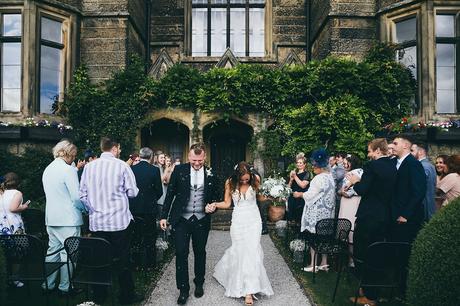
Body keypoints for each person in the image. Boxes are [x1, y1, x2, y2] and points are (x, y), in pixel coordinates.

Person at [80, 137, 141, 305]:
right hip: (119, 222)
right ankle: (126, 296)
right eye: (119, 148)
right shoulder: (122, 166)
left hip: (98, 223)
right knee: (122, 259)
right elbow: (133, 193)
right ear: (114, 148)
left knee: (99, 260)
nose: (120, 151)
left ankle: (99, 295)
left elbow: (82, 195)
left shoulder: (89, 167)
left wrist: (93, 209)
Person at [159, 143, 219, 305]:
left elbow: (217, 197)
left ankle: (199, 283)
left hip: (201, 220)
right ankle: (183, 289)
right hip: (181, 220)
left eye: (200, 160)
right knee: (181, 253)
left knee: (200, 252)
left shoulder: (211, 173)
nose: (197, 163)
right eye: (194, 160)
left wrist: (212, 207)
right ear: (189, 157)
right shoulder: (180, 170)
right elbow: (170, 194)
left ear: (204, 157)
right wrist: (164, 216)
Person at [209, 162, 274, 306]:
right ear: (236, 176)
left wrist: (273, 196)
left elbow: (261, 197)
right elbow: (226, 203)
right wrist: (214, 204)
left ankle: (248, 291)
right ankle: (236, 279)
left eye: (246, 179)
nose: (245, 181)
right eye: (242, 179)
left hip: (254, 220)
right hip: (238, 220)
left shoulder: (255, 179)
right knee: (239, 251)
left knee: (251, 251)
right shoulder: (229, 182)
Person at [347, 138, 397, 306]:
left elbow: (363, 189)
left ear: (377, 151)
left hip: (369, 217)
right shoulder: (393, 166)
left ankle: (369, 295)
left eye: (369, 151)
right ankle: (373, 290)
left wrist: (355, 181)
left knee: (362, 254)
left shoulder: (372, 166)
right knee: (377, 255)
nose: (368, 155)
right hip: (385, 217)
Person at [42, 140, 86, 295]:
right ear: (68, 153)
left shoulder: (48, 169)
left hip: (51, 218)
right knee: (70, 253)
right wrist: (85, 209)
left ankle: (48, 284)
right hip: (68, 219)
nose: (74, 159)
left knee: (52, 252)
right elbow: (76, 197)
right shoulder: (68, 170)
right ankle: (65, 287)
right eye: (73, 156)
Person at [293, 148, 336, 272]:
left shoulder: (318, 179)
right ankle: (324, 263)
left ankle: (313, 265)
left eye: (314, 166)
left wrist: (300, 194)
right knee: (324, 238)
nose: (313, 168)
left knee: (313, 238)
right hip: (328, 213)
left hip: (317, 213)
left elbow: (309, 195)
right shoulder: (330, 177)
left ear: (319, 166)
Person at [129, 147, 163, 267]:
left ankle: (136, 263)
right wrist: (152, 200)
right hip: (149, 208)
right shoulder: (154, 170)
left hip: (134, 208)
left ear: (140, 155)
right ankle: (150, 263)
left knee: (135, 237)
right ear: (151, 156)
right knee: (150, 237)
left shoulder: (132, 169)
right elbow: (159, 191)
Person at [338, 154, 363, 264]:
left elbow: (347, 191)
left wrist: (343, 192)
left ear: (352, 162)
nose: (344, 165)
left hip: (350, 203)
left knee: (349, 227)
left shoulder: (353, 173)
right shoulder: (361, 171)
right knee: (351, 227)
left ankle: (350, 260)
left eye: (345, 163)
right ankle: (350, 259)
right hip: (353, 202)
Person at [411, 142, 436, 221]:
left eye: (412, 150)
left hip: (423, 207)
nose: (410, 153)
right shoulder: (429, 165)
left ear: (420, 152)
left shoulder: (422, 166)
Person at [287, 153, 310, 225]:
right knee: (291, 218)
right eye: (297, 163)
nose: (298, 164)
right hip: (292, 198)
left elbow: (303, 185)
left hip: (300, 198)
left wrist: (295, 176)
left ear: (304, 164)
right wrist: (291, 179)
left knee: (299, 218)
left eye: (300, 163)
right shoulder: (294, 173)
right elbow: (288, 187)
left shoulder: (307, 174)